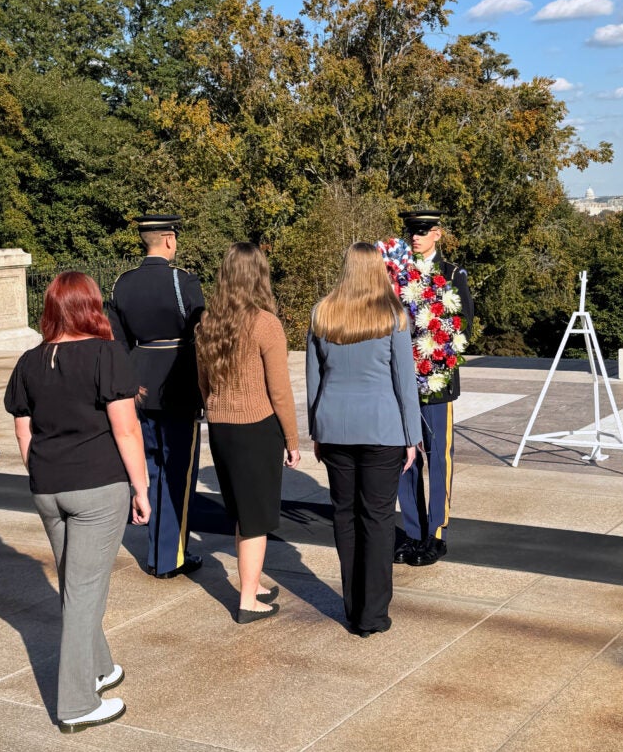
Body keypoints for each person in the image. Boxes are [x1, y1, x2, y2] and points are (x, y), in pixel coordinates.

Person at [4, 272, 151, 733]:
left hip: (48, 487)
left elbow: (23, 430)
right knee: (85, 592)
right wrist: (141, 487)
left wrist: (42, 471)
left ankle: (99, 667)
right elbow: (126, 429)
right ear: (91, 307)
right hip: (96, 487)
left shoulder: (30, 361)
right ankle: (76, 704)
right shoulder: (107, 354)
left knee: (76, 584)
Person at [306, 242, 422, 637]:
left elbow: (314, 378)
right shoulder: (392, 315)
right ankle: (372, 614)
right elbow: (404, 383)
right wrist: (412, 436)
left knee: (345, 515)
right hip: (382, 428)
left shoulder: (322, 313)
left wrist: (316, 428)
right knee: (377, 518)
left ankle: (353, 608)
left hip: (335, 426)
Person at [195, 243, 300, 624]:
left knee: (242, 511)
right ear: (259, 275)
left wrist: (217, 411)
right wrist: (292, 440)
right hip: (257, 428)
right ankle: (247, 602)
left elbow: (203, 383)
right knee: (255, 518)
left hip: (221, 428)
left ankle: (251, 585)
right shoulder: (265, 323)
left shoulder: (208, 322)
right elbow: (280, 391)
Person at [108, 214, 205, 580]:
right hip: (177, 385)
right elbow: (200, 335)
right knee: (178, 473)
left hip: (139, 384)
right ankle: (169, 557)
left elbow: (118, 341)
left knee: (149, 470)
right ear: (168, 239)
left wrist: (130, 381)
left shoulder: (123, 283)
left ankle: (157, 551)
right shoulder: (183, 281)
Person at [394, 208, 474, 567]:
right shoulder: (398, 274)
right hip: (402, 381)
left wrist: (431, 350)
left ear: (437, 234)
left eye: (423, 230)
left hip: (436, 380)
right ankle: (413, 533)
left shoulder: (453, 275)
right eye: (412, 231)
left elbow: (463, 326)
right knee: (405, 458)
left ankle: (435, 534)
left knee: (438, 458)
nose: (415, 236)